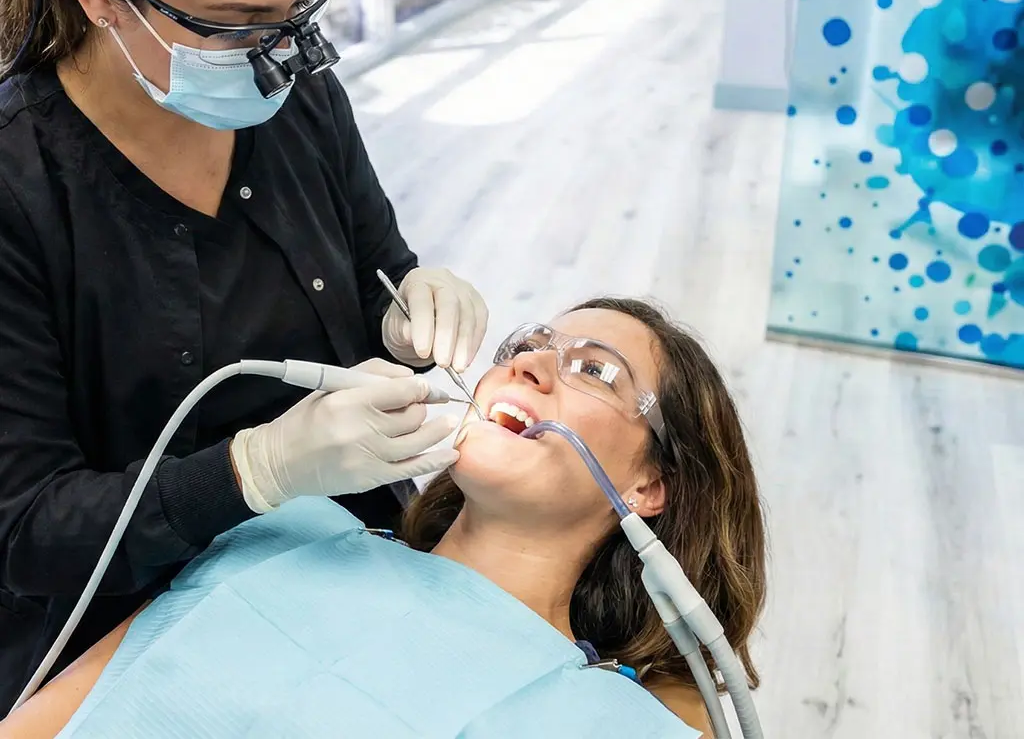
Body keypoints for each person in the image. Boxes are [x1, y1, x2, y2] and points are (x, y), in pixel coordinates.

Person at [0, 0, 488, 713]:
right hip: (130, 631)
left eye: (297, 5)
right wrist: (257, 470)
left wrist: (406, 302)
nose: (283, 53)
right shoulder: (21, 187)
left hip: (340, 568)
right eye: (234, 24)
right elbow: (25, 526)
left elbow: (375, 264)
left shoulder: (295, 96)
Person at [0, 298, 767, 738]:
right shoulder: (287, 532)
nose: (532, 362)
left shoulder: (616, 722)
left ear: (648, 488)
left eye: (595, 371)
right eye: (528, 344)